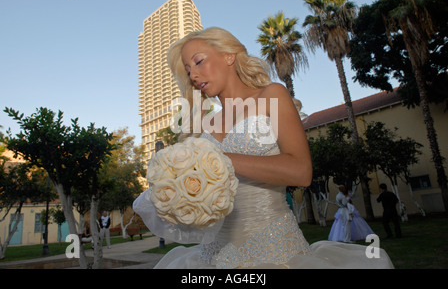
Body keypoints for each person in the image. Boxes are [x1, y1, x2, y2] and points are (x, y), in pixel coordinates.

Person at [134, 27, 393, 268]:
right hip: (211, 258)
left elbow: (301, 172)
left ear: (229, 56)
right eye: (188, 69)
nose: (193, 74)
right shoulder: (201, 125)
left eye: (199, 61)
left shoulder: (271, 95)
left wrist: (217, 158)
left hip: (276, 251)